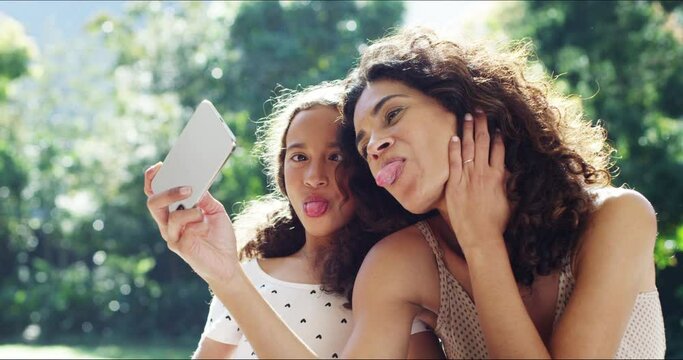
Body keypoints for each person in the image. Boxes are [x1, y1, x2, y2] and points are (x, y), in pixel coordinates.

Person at [143, 81, 443, 359]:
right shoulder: (248, 275)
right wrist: (226, 277)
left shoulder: (396, 285)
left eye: (335, 157)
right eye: (299, 157)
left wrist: (230, 281)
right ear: (281, 174)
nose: (314, 178)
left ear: (366, 169)